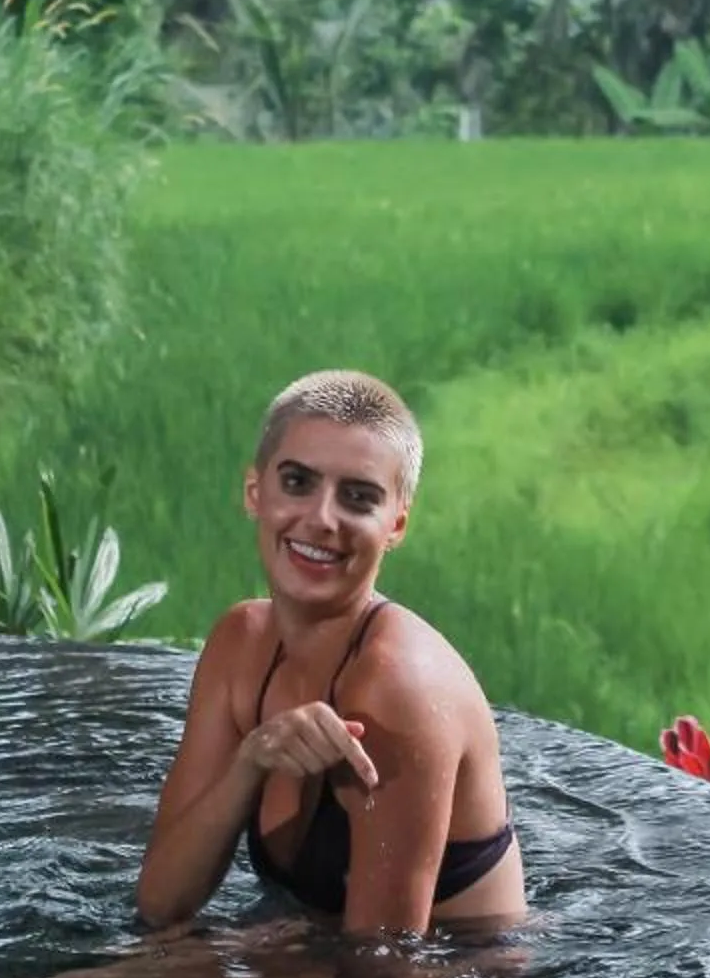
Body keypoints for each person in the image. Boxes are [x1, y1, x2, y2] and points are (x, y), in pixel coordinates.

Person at [133, 370, 527, 937]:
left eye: (358, 497)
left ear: (395, 525)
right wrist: (251, 761)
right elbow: (160, 903)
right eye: (297, 482)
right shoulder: (240, 645)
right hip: (319, 952)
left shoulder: (398, 688)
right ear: (255, 493)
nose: (321, 519)